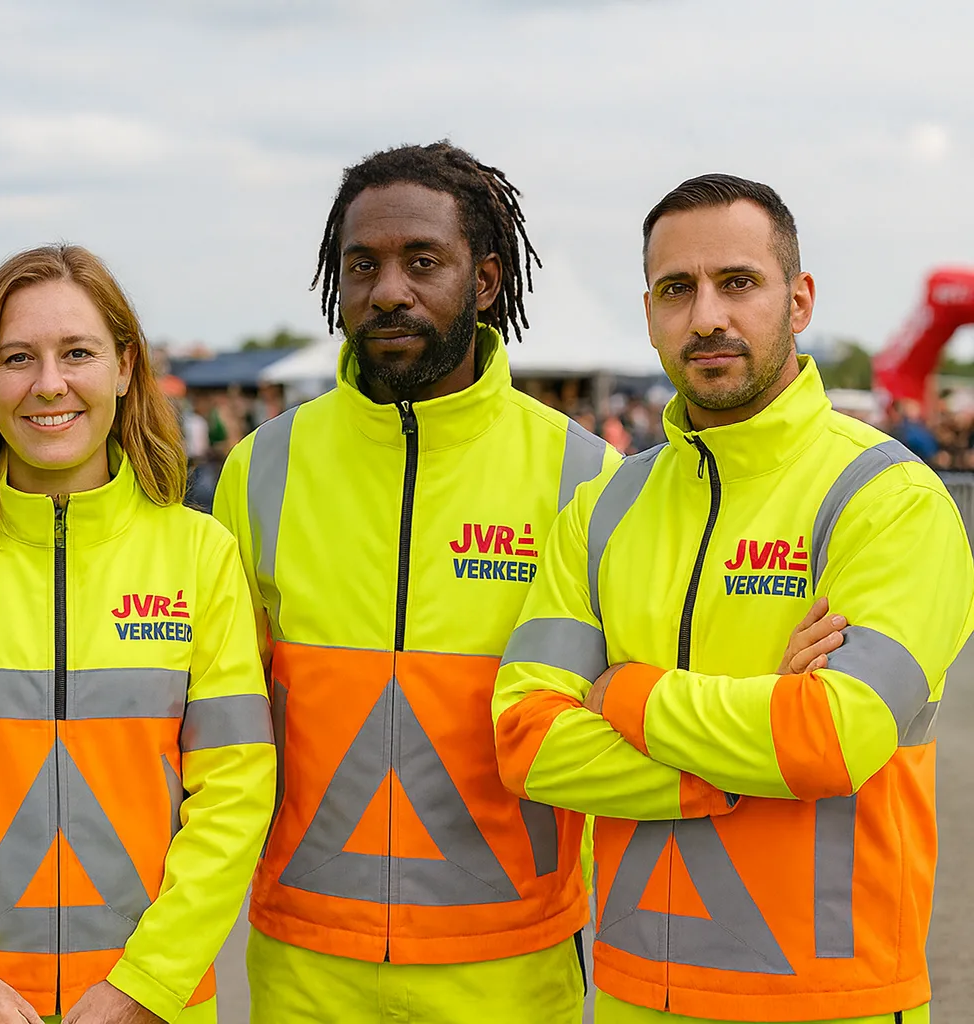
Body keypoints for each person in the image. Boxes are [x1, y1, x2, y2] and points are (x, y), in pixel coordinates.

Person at [494, 174, 973, 1023]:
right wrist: (756, 747)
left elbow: (831, 738)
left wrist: (623, 693)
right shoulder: (606, 507)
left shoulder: (889, 498)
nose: (707, 315)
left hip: (831, 997)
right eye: (678, 289)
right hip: (637, 991)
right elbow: (528, 746)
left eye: (738, 283)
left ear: (799, 300)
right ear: (648, 313)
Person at [212, 141, 617, 1022]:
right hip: (304, 960)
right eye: (363, 265)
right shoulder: (261, 466)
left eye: (421, 262)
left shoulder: (584, 477)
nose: (388, 289)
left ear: (484, 282)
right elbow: (218, 709)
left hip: (510, 963)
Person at [0, 244, 276, 1023]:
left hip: (153, 1008)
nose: (48, 384)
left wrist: (144, 987)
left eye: (78, 353)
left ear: (126, 367)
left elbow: (235, 796)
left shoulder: (201, 557)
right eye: (17, 358)